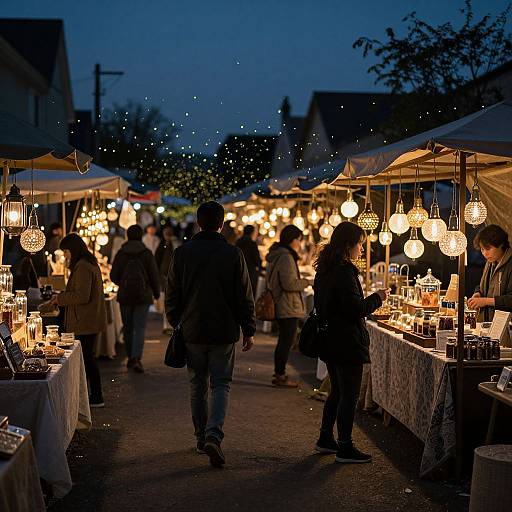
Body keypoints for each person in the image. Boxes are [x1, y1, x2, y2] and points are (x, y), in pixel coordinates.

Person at [166, 201, 255, 468]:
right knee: (221, 384)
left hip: (192, 330)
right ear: (222, 224)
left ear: (198, 223)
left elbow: (172, 293)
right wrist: (248, 329)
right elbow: (244, 294)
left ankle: (200, 437)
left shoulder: (182, 253)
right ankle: (213, 435)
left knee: (197, 385)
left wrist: (176, 321)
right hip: (224, 330)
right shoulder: (232, 253)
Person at [313, 222, 389, 463]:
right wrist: (378, 298)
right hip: (346, 341)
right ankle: (344, 446)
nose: (362, 250)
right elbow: (356, 309)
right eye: (360, 245)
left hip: (330, 339)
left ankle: (326, 438)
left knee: (337, 390)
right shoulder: (344, 271)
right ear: (348, 246)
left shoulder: (325, 268)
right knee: (349, 395)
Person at [50, 233, 107, 407]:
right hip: (86, 318)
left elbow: (82, 295)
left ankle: (96, 397)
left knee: (87, 358)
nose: (65, 256)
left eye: (66, 252)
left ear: (72, 250)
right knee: (87, 358)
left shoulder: (83, 266)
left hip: (85, 320)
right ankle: (93, 395)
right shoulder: (86, 263)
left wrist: (61, 298)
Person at [110, 224, 160, 373]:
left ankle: (130, 357)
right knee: (139, 328)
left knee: (128, 327)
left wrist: (123, 284)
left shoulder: (121, 253)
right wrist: (156, 293)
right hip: (143, 296)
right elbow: (154, 275)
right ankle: (136, 358)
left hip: (125, 296)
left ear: (128, 236)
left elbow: (113, 276)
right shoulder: (146, 253)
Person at [266, 224, 310, 388]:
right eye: (298, 239)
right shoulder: (285, 257)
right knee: (286, 341)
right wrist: (307, 282)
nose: (300, 243)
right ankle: (280, 375)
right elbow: (289, 284)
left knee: (284, 340)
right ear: (292, 240)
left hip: (282, 303)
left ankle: (279, 373)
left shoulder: (277, 254)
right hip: (287, 304)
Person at [468, 224, 512, 321]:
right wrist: (478, 294)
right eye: (482, 249)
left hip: (506, 326)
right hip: (488, 323)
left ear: (501, 245)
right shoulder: (490, 263)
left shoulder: (510, 263)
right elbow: (483, 286)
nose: (485, 253)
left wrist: (485, 301)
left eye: (488, 249)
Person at [155, 225, 175, 333]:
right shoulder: (163, 245)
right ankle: (167, 325)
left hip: (169, 276)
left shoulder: (173, 244)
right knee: (167, 300)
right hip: (164, 277)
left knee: (168, 300)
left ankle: (169, 325)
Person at [236, 225, 262, 298]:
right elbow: (257, 259)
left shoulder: (238, 242)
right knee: (249, 294)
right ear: (252, 233)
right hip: (250, 272)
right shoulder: (251, 243)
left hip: (238, 270)